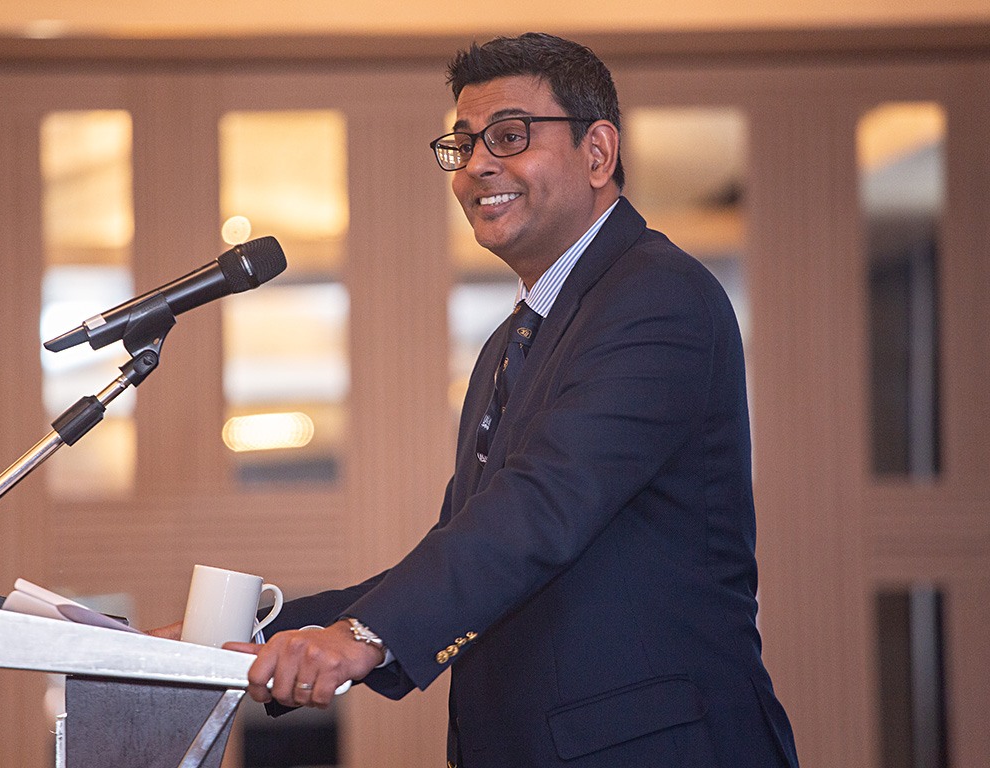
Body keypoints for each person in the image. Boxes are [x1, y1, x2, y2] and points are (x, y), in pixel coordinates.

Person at [214, 32, 799, 767]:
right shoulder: (509, 341)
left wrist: (363, 637)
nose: (477, 165)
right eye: (463, 145)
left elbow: (541, 507)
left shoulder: (659, 295)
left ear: (597, 153)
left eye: (510, 136)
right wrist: (240, 639)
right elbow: (468, 544)